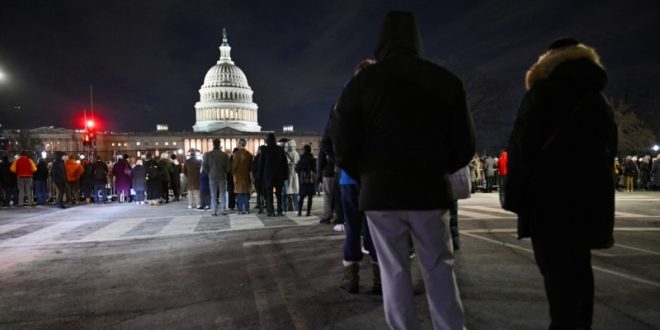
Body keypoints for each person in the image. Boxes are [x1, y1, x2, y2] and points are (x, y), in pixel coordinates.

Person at [329, 11, 475, 330]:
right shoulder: (444, 80)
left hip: (380, 194)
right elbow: (465, 145)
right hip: (430, 189)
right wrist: (438, 167)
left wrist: (366, 172)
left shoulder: (360, 84)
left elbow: (342, 142)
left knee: (393, 271)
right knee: (439, 268)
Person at [505, 38, 618, 329]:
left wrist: (516, 198)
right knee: (580, 269)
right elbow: (609, 150)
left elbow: (521, 149)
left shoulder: (542, 94)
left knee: (557, 275)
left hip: (549, 200)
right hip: (589, 197)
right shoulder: (597, 98)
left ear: (550, 59)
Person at [258, 133, 288, 217]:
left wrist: (260, 176)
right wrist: (285, 175)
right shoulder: (280, 149)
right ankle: (279, 210)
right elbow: (284, 163)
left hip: (268, 175)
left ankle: (271, 211)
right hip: (279, 175)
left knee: (269, 194)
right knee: (279, 195)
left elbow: (261, 164)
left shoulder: (264, 150)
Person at [202, 138, 231, 216]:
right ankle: (223, 210)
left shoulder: (208, 154)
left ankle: (213, 210)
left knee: (213, 194)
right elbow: (229, 167)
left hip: (212, 176)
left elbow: (204, 166)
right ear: (219, 144)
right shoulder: (224, 155)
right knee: (222, 194)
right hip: (222, 176)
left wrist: (209, 172)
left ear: (213, 144)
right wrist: (224, 171)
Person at [232, 139, 254, 214]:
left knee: (239, 194)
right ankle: (246, 209)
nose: (237, 144)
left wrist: (232, 173)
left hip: (238, 176)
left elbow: (234, 166)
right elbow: (251, 167)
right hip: (246, 176)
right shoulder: (249, 154)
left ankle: (240, 209)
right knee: (245, 193)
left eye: (238, 143)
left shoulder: (236, 154)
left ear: (240, 144)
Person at [295, 144, 316, 217]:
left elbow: (297, 168)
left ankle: (299, 212)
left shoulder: (302, 158)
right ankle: (308, 212)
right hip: (311, 179)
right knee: (310, 197)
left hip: (303, 179)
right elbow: (315, 169)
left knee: (301, 196)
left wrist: (300, 173)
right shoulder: (312, 158)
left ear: (305, 150)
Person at [283, 139, 300, 214]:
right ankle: (296, 209)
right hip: (295, 174)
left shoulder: (286, 153)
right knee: (295, 192)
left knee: (286, 192)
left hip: (288, 173)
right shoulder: (296, 153)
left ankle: (285, 209)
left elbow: (284, 163)